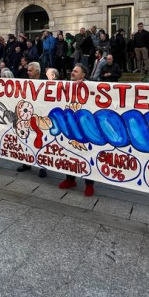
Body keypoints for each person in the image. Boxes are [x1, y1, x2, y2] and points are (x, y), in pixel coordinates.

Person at [57, 63, 95, 197]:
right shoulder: (66, 86)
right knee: (69, 153)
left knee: (87, 154)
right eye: (72, 70)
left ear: (83, 75)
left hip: (84, 126)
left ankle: (89, 184)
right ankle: (70, 179)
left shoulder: (91, 87)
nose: (72, 73)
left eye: (75, 71)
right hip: (69, 125)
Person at [17, 62, 47, 177]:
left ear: (37, 71)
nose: (28, 72)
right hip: (28, 115)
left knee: (41, 140)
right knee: (26, 139)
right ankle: (26, 162)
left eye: (30, 70)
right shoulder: (26, 81)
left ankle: (42, 166)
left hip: (41, 115)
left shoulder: (46, 82)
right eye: (28, 70)